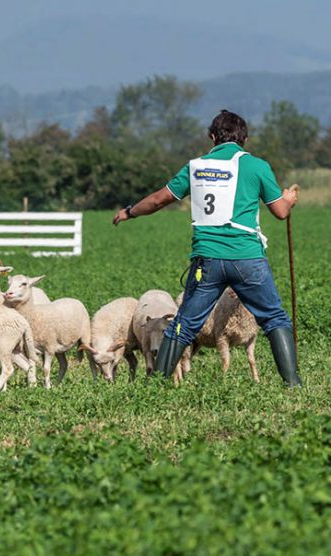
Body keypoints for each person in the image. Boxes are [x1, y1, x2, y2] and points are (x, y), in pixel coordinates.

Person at [112, 109, 302, 387]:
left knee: (185, 323)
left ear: (213, 137)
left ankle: (157, 386)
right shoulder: (257, 166)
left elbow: (157, 200)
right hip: (247, 259)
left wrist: (130, 211)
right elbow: (281, 212)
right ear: (245, 139)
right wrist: (289, 198)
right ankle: (293, 384)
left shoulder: (196, 166)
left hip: (207, 260)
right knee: (274, 317)